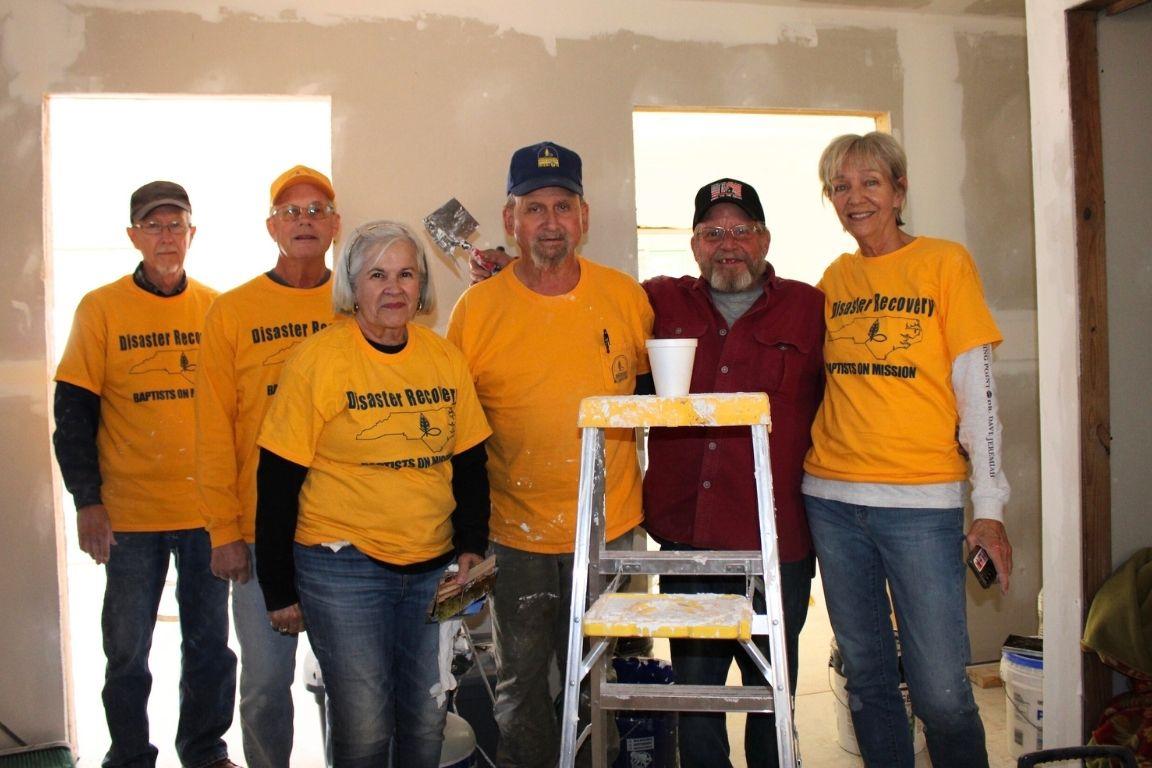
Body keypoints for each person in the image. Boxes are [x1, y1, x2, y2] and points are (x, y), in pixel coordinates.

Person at [802, 131, 1013, 768]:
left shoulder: (946, 263)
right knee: (867, 681)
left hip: (922, 504)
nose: (855, 196)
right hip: (832, 502)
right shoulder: (833, 280)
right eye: (841, 185)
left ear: (899, 191)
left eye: (871, 182)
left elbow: (977, 390)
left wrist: (991, 505)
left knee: (943, 692)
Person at [255, 220, 492, 767]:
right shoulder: (319, 360)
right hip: (343, 568)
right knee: (363, 728)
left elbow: (471, 464)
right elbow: (277, 478)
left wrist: (471, 546)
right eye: (378, 275)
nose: (393, 287)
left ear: (421, 285)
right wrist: (277, 587)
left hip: (433, 568)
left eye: (406, 274)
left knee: (426, 719)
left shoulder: (443, 357)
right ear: (353, 288)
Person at [447, 140, 654, 768]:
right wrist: (466, 538)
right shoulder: (476, 310)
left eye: (562, 206)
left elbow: (653, 399)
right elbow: (459, 438)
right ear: (511, 220)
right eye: (534, 208)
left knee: (613, 683)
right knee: (521, 691)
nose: (550, 222)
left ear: (584, 217)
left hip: (612, 530)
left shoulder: (626, 298)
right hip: (516, 539)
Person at [53, 181, 239, 768]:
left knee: (211, 647)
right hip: (129, 517)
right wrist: (88, 501)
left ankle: (205, 750)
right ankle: (130, 755)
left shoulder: (216, 308)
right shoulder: (100, 308)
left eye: (175, 225)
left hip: (206, 515)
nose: (165, 237)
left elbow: (238, 411)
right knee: (127, 651)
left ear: (191, 233)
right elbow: (73, 414)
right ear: (134, 236)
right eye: (152, 226)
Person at [642, 178, 824, 768]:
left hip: (779, 540)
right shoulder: (657, 302)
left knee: (772, 695)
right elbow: (577, 304)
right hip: (687, 542)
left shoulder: (810, 308)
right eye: (713, 232)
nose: (729, 244)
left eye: (742, 230)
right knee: (697, 698)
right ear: (694, 244)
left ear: (765, 239)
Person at [194, 165, 339, 768]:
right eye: (291, 212)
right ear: (271, 227)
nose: (304, 221)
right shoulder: (232, 312)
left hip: (343, 536)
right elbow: (209, 430)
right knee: (262, 688)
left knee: (352, 686)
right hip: (258, 535)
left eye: (316, 210)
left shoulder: (359, 300)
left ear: (334, 224)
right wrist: (223, 532)